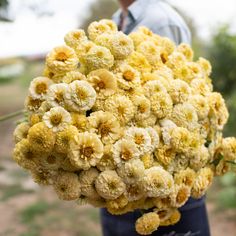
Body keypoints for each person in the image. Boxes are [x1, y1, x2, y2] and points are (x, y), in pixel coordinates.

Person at [100, 0, 211, 236]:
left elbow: (175, 103)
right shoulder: (117, 18)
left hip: (163, 191)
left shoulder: (161, 21)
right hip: (124, 181)